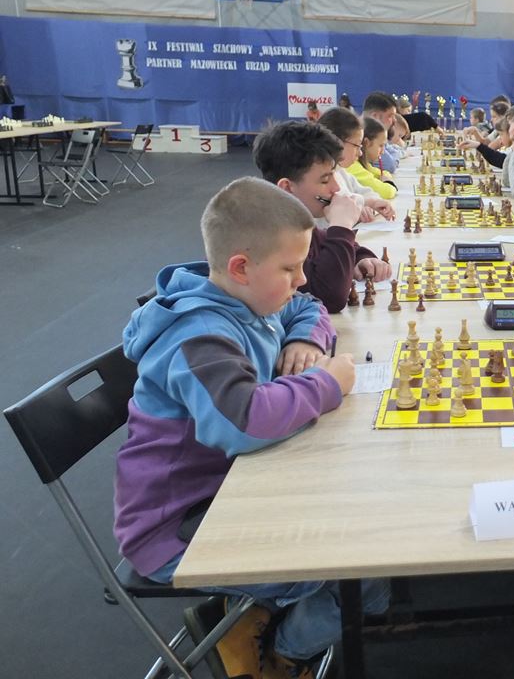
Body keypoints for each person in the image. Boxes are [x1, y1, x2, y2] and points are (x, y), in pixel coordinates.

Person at [114, 177, 389, 679]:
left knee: (364, 521)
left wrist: (304, 340)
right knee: (366, 575)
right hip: (181, 528)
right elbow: (243, 422)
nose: (302, 279)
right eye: (290, 268)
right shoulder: (200, 336)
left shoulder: (247, 298)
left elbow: (310, 306)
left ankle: (243, 616)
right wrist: (327, 383)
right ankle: (282, 654)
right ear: (241, 267)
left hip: (237, 488)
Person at [254, 120, 391, 313]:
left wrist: (361, 259)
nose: (336, 187)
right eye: (325, 180)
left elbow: (325, 241)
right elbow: (330, 296)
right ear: (287, 188)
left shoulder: (295, 221)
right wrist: (342, 225)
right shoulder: (269, 237)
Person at [317, 107, 395, 222]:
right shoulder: (318, 179)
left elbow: (365, 192)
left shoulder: (341, 172)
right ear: (337, 142)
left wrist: (372, 202)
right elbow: (336, 211)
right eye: (357, 145)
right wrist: (359, 206)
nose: (360, 152)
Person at [346, 117, 398, 200]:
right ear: (366, 143)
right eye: (381, 145)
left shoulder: (361, 163)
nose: (383, 152)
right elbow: (386, 192)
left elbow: (384, 173)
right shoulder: (351, 166)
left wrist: (384, 179)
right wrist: (388, 182)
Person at [361, 91, 403, 173]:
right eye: (390, 116)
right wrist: (397, 157)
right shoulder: (360, 135)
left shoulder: (377, 134)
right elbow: (389, 165)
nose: (394, 120)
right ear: (374, 116)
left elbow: (395, 151)